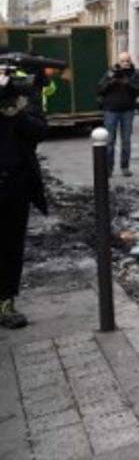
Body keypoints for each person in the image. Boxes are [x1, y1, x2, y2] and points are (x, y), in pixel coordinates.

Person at [0, 66, 50, 329]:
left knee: (10, 247)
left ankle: (6, 302)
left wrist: (13, 111)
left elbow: (40, 130)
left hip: (15, 185)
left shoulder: (22, 93)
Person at [97, 52, 139, 177]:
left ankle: (125, 167)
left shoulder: (135, 74)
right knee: (110, 140)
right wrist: (111, 81)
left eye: (127, 61)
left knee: (126, 140)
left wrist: (127, 83)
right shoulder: (111, 72)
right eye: (123, 61)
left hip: (127, 111)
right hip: (111, 110)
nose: (125, 63)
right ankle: (108, 168)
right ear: (118, 61)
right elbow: (100, 89)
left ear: (130, 61)